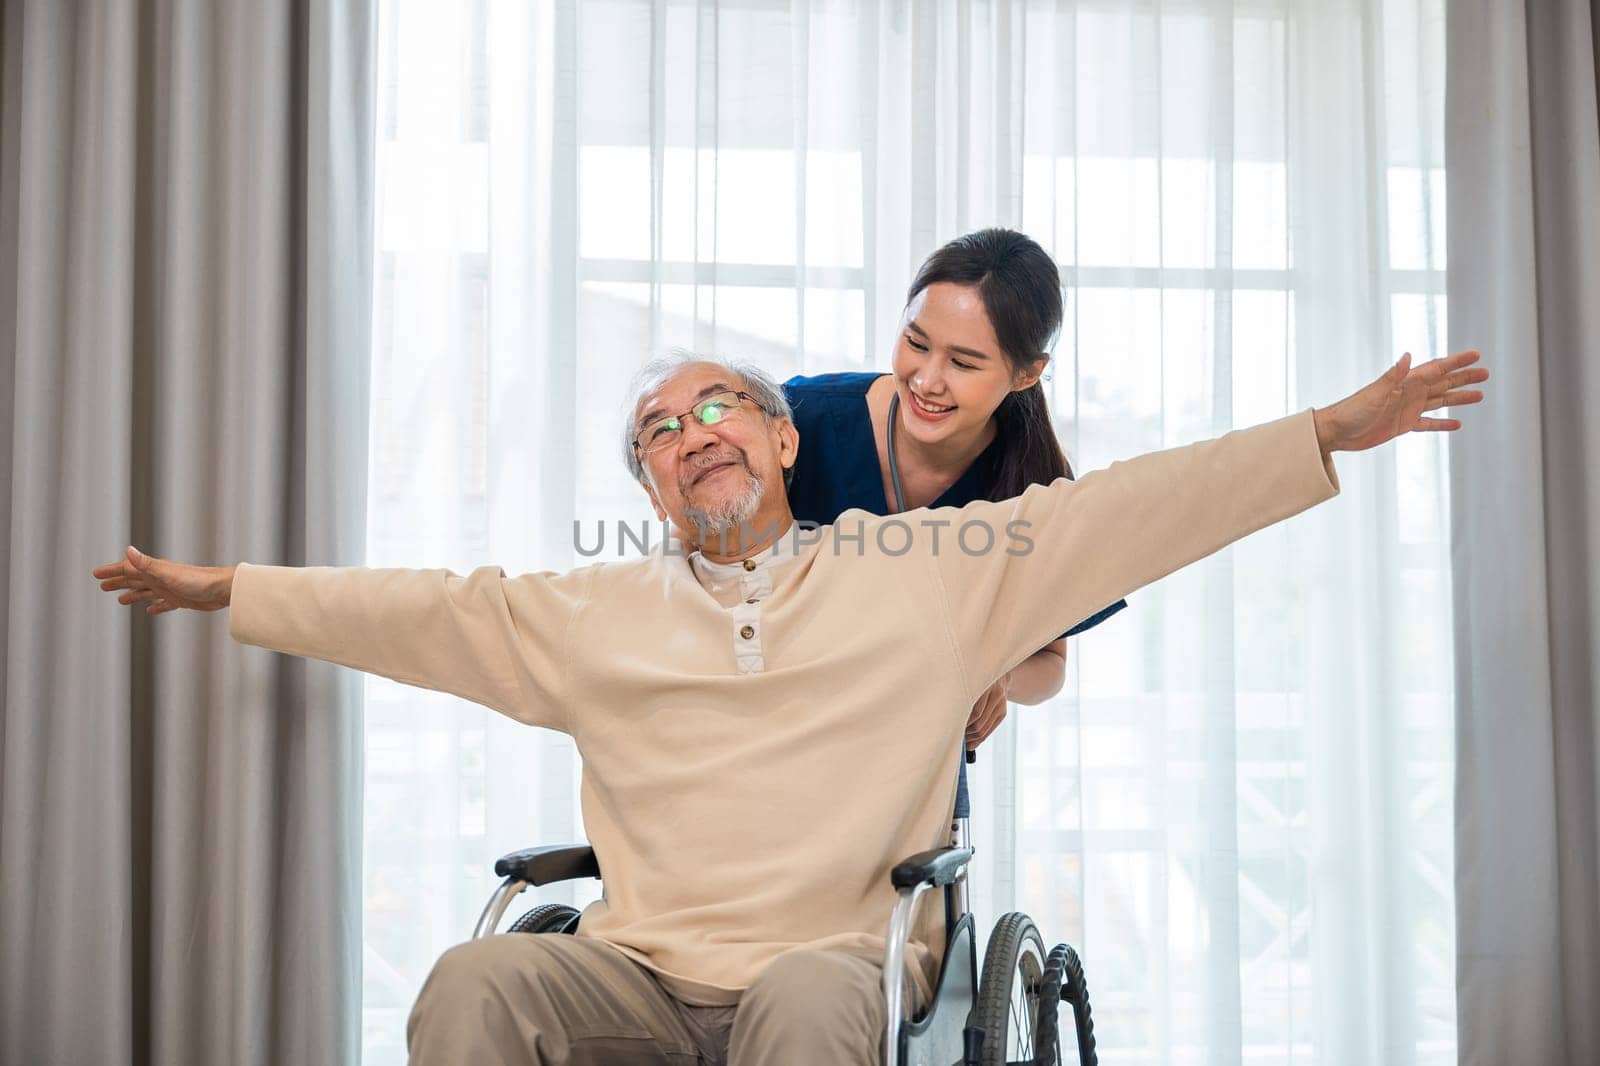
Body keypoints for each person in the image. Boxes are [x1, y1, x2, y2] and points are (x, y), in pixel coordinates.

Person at [92, 346, 1487, 1065]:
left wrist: (1324, 432)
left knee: (816, 992)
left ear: (779, 440)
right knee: (476, 977)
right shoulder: (586, 614)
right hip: (640, 969)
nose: (689, 429)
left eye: (717, 408)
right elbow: (404, 608)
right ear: (648, 487)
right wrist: (229, 589)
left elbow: (1129, 510)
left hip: (837, 960)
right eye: (657, 427)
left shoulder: (926, 572)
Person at [785, 229, 1125, 754]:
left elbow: (1050, 666)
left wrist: (996, 679)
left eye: (963, 363)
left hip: (917, 780)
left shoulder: (1036, 486)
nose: (926, 380)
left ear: (1027, 373)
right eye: (916, 343)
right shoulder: (800, 420)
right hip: (777, 747)